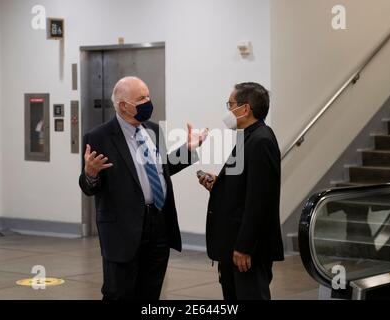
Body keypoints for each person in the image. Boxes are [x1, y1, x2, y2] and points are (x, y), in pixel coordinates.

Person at [79, 76, 208, 300]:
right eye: (141, 98)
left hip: (158, 222)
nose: (148, 101)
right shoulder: (98, 137)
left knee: (151, 291)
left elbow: (161, 169)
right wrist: (90, 174)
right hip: (122, 228)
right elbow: (89, 188)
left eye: (148, 96)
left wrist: (189, 149)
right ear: (123, 106)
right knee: (119, 293)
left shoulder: (153, 130)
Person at [198, 82, 284, 300]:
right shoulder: (247, 136)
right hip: (234, 244)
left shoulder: (261, 140)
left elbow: (260, 201)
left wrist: (245, 246)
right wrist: (219, 185)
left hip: (247, 249)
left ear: (245, 109)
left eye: (231, 104)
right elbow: (245, 186)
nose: (228, 110)